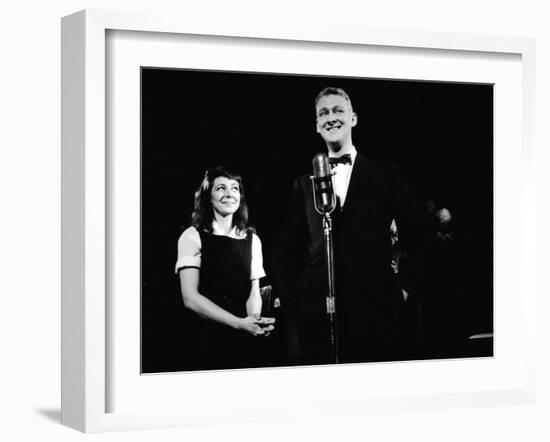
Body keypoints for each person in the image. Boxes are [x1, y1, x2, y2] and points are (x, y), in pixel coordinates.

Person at [274, 87, 438, 365]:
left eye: (338, 110)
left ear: (354, 119)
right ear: (316, 125)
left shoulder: (385, 173)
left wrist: (404, 289)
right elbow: (284, 250)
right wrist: (297, 300)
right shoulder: (304, 183)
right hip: (319, 318)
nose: (331, 117)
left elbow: (419, 235)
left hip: (376, 311)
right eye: (323, 113)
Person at [175, 166, 275, 370]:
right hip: (205, 337)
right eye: (221, 188)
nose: (229, 194)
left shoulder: (252, 239)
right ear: (207, 197)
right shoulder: (192, 236)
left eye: (235, 188)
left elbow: (253, 292)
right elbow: (190, 298)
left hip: (242, 335)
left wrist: (253, 320)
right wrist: (238, 323)